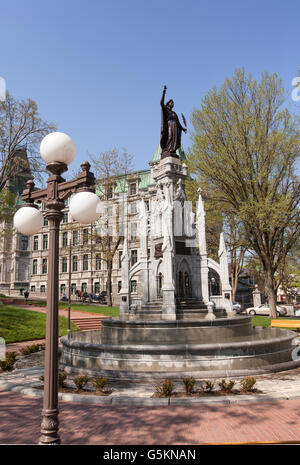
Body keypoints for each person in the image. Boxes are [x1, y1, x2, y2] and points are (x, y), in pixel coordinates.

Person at [160, 85, 187, 159]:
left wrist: (183, 128)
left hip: (175, 126)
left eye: (173, 103)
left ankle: (172, 150)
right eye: (171, 103)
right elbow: (161, 103)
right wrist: (164, 92)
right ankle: (168, 149)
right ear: (168, 104)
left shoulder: (174, 113)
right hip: (169, 125)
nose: (173, 104)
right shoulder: (166, 110)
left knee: (174, 139)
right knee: (170, 136)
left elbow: (178, 123)